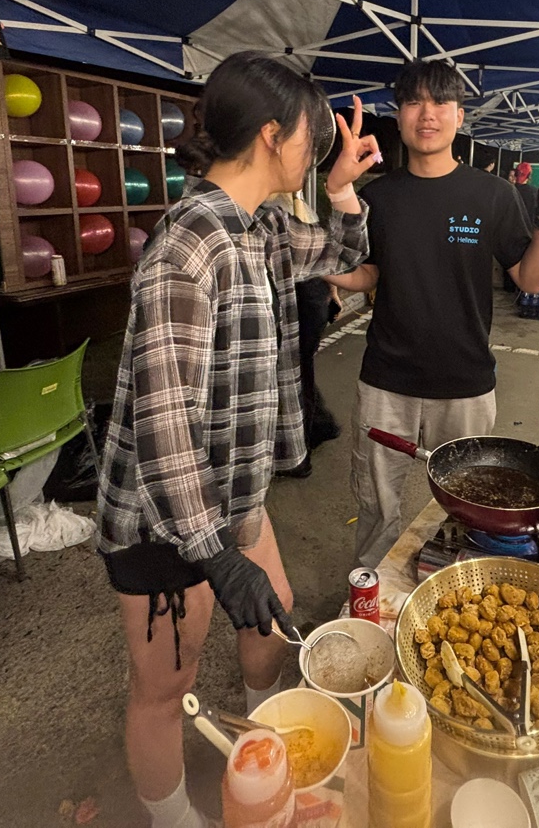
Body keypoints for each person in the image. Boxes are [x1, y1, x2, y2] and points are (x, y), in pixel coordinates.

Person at [98, 52, 377, 828]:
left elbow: (342, 257)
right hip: (167, 519)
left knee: (272, 612)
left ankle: (266, 738)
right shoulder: (190, 244)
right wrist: (215, 555)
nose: (315, 151)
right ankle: (172, 817)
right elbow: (163, 423)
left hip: (233, 494)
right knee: (164, 687)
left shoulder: (258, 225)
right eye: (312, 139)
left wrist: (341, 189)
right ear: (272, 136)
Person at [326, 59, 539, 569]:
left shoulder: (492, 194)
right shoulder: (378, 196)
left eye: (441, 102)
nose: (427, 114)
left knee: (471, 506)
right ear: (398, 115)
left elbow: (530, 281)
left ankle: (457, 590)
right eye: (413, 102)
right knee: (376, 505)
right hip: (386, 382)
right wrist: (316, 262)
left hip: (465, 384)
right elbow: (367, 273)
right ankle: (371, 593)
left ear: (460, 116)